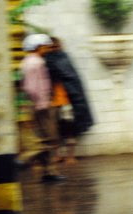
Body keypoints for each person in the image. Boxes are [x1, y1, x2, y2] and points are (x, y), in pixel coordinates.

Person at [20, 34, 65, 183]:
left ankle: (49, 172)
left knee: (45, 138)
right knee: (50, 138)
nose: (47, 49)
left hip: (38, 105)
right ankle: (25, 158)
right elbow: (31, 87)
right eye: (45, 46)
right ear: (38, 47)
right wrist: (42, 103)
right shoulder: (36, 63)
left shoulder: (28, 61)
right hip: (42, 106)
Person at [43, 36, 94, 165]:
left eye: (55, 46)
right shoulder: (48, 60)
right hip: (54, 101)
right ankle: (58, 155)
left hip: (66, 102)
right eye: (51, 47)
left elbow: (71, 78)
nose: (54, 49)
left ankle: (70, 156)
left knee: (70, 130)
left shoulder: (62, 58)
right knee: (55, 130)